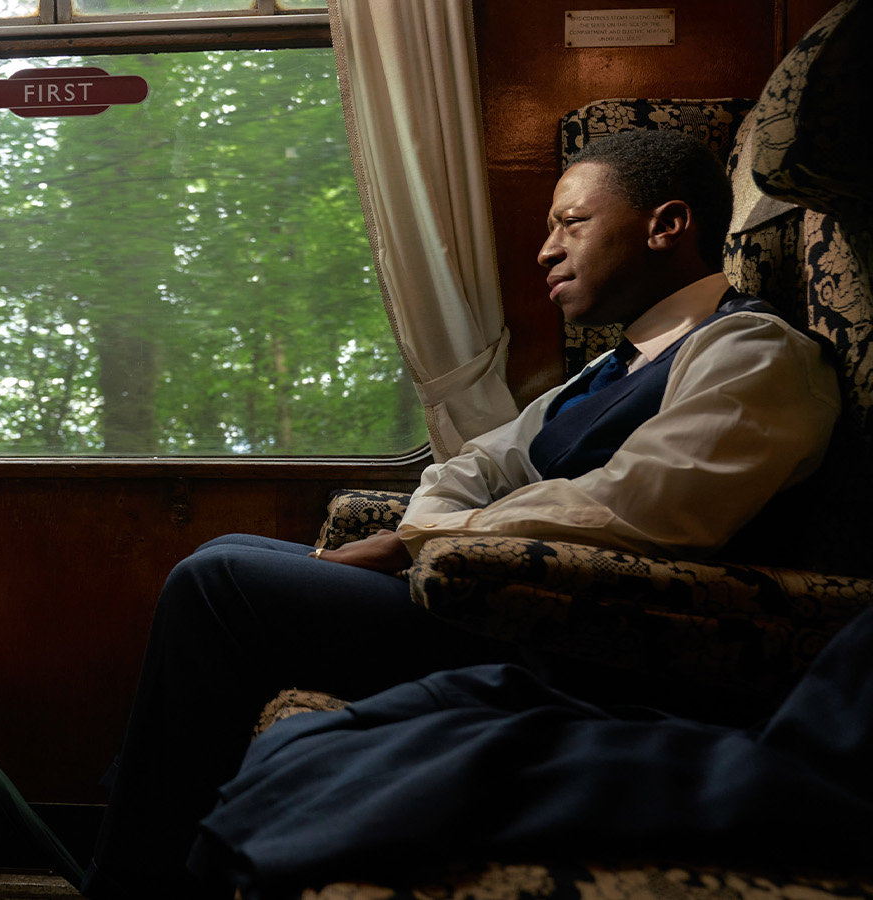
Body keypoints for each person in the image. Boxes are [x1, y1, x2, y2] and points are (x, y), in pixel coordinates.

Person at [79, 129, 842, 900]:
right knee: (231, 549)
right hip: (494, 594)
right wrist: (424, 531)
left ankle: (133, 879)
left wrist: (422, 539)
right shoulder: (617, 365)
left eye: (570, 224)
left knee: (218, 582)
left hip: (593, 642)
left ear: (666, 225)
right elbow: (471, 466)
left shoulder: (752, 353)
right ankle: (168, 848)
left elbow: (636, 509)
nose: (546, 249)